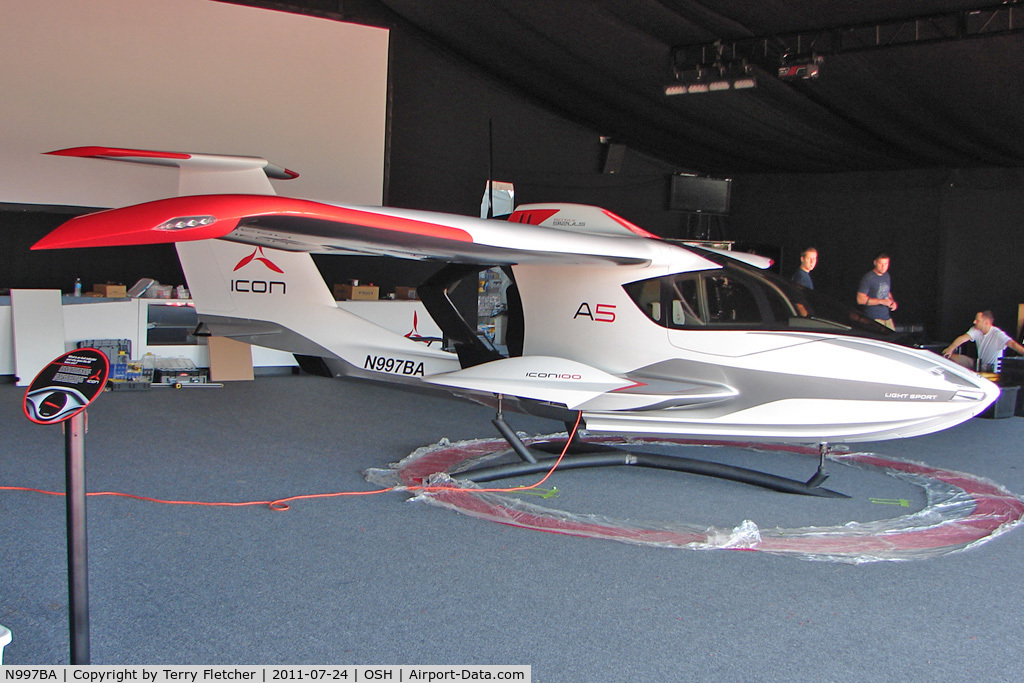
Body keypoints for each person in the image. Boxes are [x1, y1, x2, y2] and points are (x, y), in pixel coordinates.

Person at [942, 310, 1024, 372]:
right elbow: (963, 338)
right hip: (979, 364)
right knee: (952, 357)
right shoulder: (975, 330)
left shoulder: (997, 334)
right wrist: (951, 348)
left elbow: (1013, 344)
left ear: (986, 322)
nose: (974, 322)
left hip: (991, 370)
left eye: (977, 321)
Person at [857, 252, 897, 330]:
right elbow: (860, 299)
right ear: (875, 263)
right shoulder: (868, 278)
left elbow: (886, 291)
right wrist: (881, 301)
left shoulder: (886, 275)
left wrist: (892, 302)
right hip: (873, 318)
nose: (883, 267)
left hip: (886, 317)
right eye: (881, 264)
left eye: (886, 264)